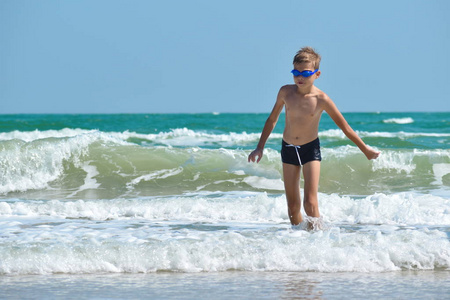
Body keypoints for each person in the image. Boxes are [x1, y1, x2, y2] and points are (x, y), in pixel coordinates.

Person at [248, 47, 380, 228]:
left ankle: (318, 238)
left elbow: (345, 128)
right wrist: (260, 147)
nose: (299, 77)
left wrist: (365, 149)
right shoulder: (285, 92)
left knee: (310, 203)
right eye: (295, 73)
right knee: (293, 207)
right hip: (288, 148)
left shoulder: (322, 99)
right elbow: (272, 119)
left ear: (317, 74)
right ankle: (299, 240)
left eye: (305, 73)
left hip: (310, 149)